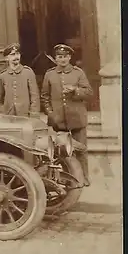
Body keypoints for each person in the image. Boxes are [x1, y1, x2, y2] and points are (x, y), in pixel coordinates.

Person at [41, 43, 93, 185]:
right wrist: (51, 114)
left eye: (65, 57)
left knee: (81, 149)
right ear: (56, 59)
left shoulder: (78, 73)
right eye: (59, 57)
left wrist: (75, 90)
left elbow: (89, 93)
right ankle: (68, 178)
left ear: (69, 57)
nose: (62, 59)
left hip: (77, 119)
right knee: (62, 151)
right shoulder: (49, 74)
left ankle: (84, 177)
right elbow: (44, 97)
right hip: (58, 120)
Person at [0, 43, 40, 118]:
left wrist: (34, 113)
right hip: (9, 114)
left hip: (25, 114)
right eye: (13, 54)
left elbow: (34, 95)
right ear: (6, 58)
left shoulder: (28, 72)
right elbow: (1, 96)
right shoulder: (3, 75)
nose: (16, 57)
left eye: (17, 54)